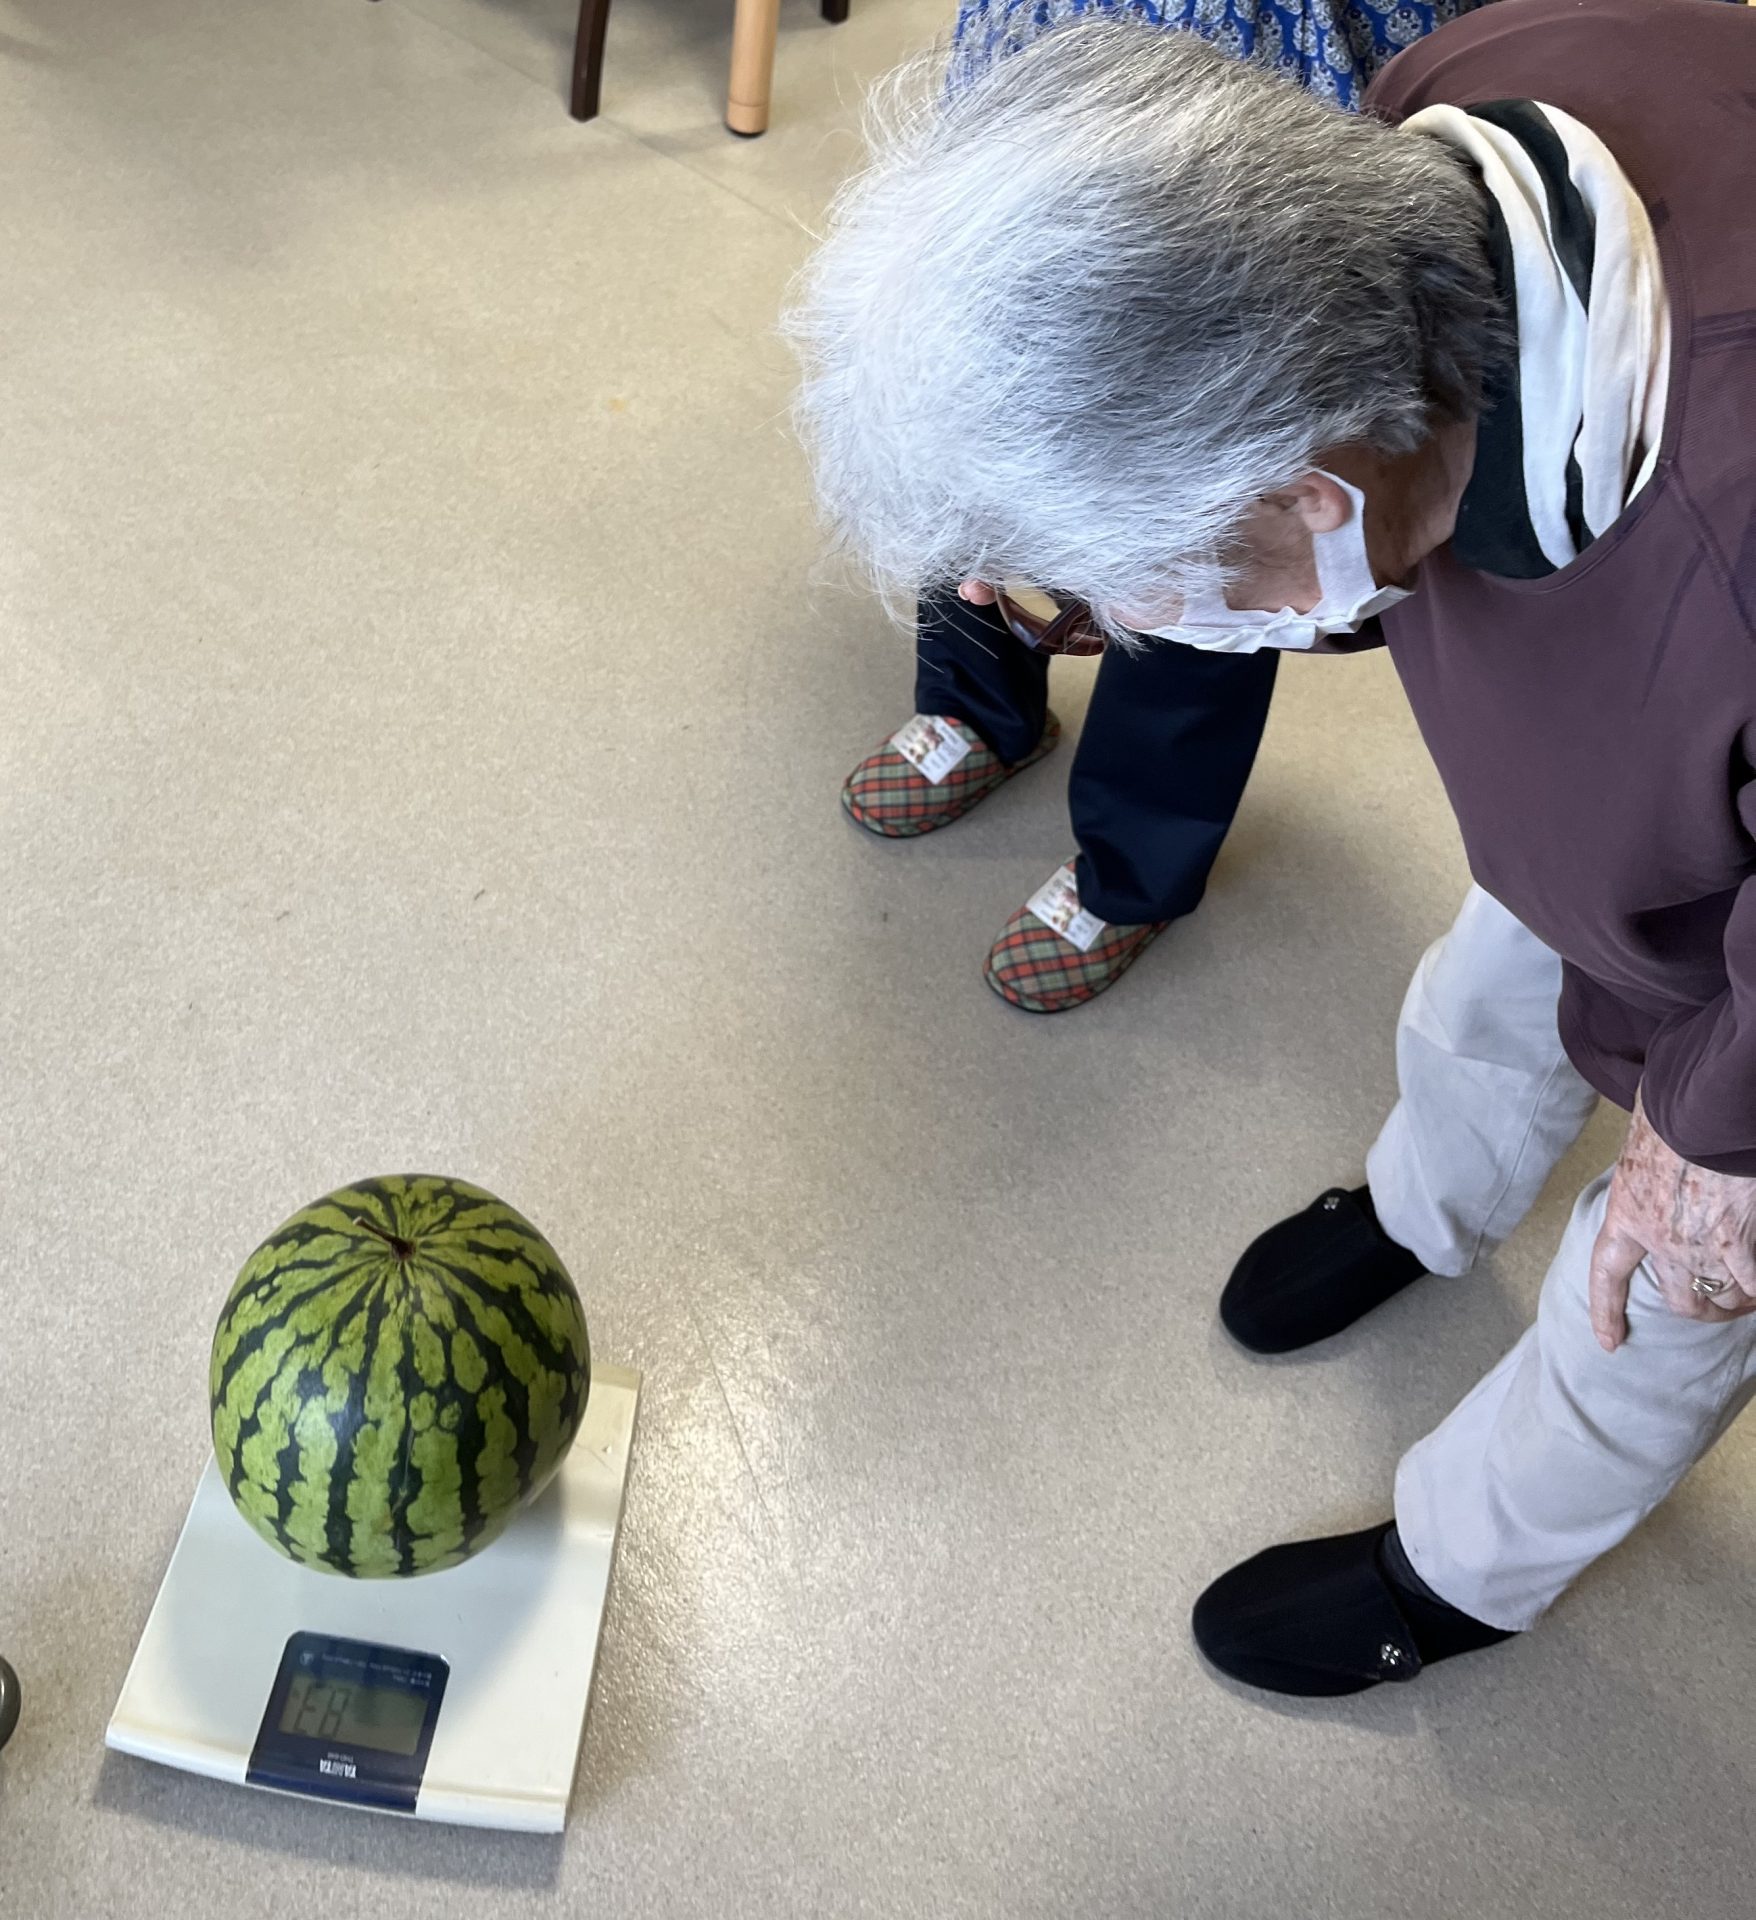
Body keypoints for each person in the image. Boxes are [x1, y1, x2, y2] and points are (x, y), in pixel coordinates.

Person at [789, 0, 1756, 1694]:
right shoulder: (1442, 111)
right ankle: (1426, 1208)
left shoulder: (1724, 546)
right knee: (1491, 984)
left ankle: (1461, 1571)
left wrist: (1725, 1133)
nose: (1108, 626)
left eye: (1123, 588)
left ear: (1309, 498)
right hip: (1621, 821)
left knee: (1661, 1282)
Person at [842, 0, 1484, 1015]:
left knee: (1213, 551)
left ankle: (1132, 867)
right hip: (1044, 58)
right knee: (971, 436)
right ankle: (978, 708)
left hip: (1269, 100)